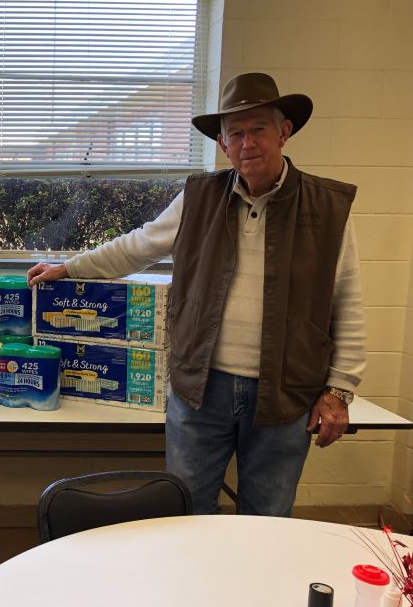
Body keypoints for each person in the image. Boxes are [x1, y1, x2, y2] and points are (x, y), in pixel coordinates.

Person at [27, 72, 366, 517]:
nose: (248, 143)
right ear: (223, 145)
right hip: (200, 391)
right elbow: (137, 247)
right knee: (185, 515)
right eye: (236, 133)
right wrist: (69, 268)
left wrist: (339, 391)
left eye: (259, 129)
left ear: (284, 132)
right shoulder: (198, 198)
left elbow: (349, 303)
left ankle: (251, 589)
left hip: (286, 396)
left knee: (268, 520)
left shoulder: (326, 209)